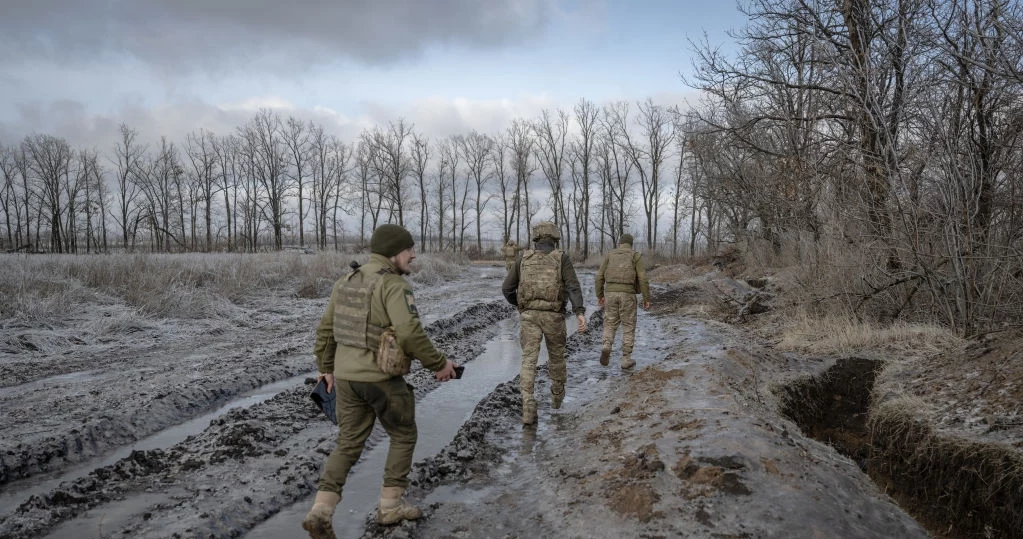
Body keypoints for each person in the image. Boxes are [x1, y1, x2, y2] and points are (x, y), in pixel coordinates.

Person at [303, 224, 459, 539]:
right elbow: (409, 333)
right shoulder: (393, 285)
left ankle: (321, 510)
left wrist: (326, 367)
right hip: (381, 378)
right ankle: (390, 508)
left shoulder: (345, 281)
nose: (413, 255)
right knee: (403, 434)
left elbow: (325, 329)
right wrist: (440, 364)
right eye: (409, 250)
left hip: (346, 379)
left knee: (348, 443)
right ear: (393, 252)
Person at [502, 221, 587, 425]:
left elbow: (507, 288)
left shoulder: (523, 258)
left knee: (528, 360)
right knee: (557, 358)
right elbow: (573, 287)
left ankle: (528, 405)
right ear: (555, 238)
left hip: (529, 317)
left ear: (536, 238)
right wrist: (579, 313)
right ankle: (557, 401)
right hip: (554, 317)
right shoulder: (561, 258)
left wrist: (520, 305)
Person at [595, 233, 651, 370]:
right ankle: (626, 359)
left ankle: (606, 345)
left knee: (610, 323)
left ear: (620, 243)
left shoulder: (610, 255)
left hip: (610, 294)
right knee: (628, 325)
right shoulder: (635, 255)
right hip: (628, 295)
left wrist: (600, 295)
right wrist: (646, 298)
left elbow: (599, 276)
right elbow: (643, 278)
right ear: (631, 244)